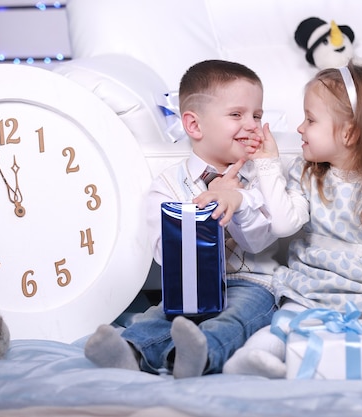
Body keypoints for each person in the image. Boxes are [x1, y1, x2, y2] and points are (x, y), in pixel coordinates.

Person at [223, 63, 362, 378]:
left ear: (349, 133)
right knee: (285, 321)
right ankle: (254, 355)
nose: (300, 127)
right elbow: (284, 225)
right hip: (315, 285)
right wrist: (267, 164)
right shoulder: (306, 173)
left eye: (310, 120)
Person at [84, 59, 279, 378]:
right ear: (194, 126)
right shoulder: (166, 185)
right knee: (157, 317)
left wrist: (238, 200)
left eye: (257, 115)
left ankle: (195, 356)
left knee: (238, 317)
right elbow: (166, 255)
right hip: (189, 287)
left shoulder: (260, 177)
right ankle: (130, 353)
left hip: (252, 281)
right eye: (236, 114)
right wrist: (206, 204)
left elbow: (259, 240)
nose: (252, 124)